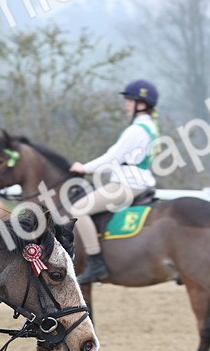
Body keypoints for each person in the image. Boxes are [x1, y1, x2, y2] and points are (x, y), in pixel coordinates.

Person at [67, 79, 161, 284]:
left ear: (142, 104)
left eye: (130, 100)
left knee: (78, 209)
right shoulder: (150, 127)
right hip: (135, 181)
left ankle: (95, 262)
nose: (126, 104)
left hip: (127, 185)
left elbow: (113, 157)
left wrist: (84, 168)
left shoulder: (136, 130)